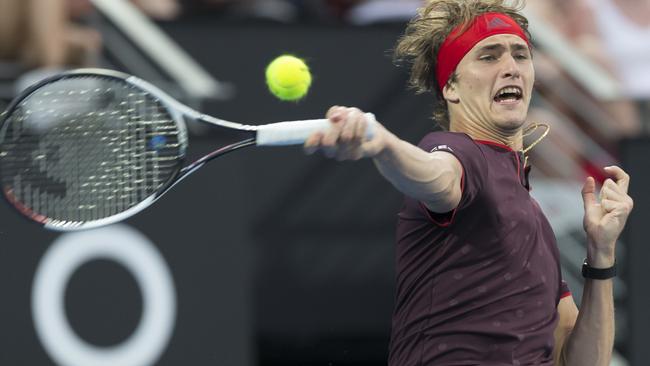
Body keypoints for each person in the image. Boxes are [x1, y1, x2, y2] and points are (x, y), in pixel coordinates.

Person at [303, 0, 634, 365]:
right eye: (489, 56)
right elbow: (438, 177)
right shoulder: (459, 153)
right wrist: (384, 144)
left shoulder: (534, 218)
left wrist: (601, 257)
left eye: (520, 55)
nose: (510, 68)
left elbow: (581, 362)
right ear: (451, 88)